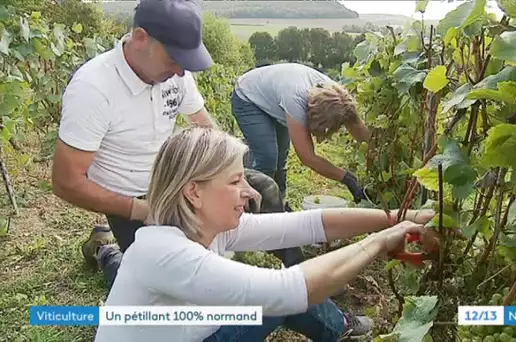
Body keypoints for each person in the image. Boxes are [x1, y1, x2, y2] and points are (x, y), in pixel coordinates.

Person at [93, 127, 437, 342]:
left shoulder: (206, 229)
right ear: (193, 193)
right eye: (234, 181)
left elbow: (308, 224)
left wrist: (400, 217)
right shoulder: (166, 254)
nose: (252, 193)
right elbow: (289, 290)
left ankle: (336, 328)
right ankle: (338, 328)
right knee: (278, 295)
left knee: (273, 295)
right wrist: (379, 242)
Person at [50, 0, 289, 287]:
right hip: (132, 197)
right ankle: (107, 251)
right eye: (174, 59)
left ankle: (297, 271)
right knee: (162, 280)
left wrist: (236, 176)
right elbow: (66, 182)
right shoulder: (93, 89)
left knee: (265, 188)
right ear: (141, 39)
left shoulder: (175, 74)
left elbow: (203, 124)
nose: (180, 71)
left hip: (176, 178)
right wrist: (144, 210)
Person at [230, 63, 372, 209]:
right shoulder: (296, 101)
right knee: (267, 158)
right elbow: (308, 157)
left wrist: (374, 155)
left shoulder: (339, 98)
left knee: (280, 160)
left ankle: (279, 204)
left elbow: (357, 127)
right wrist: (347, 178)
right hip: (248, 96)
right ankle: (254, 208)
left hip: (273, 93)